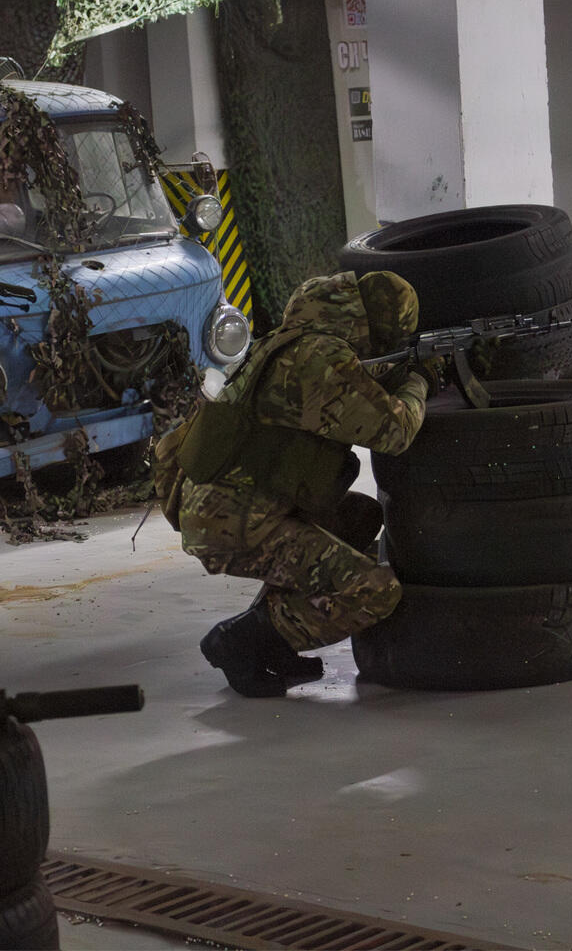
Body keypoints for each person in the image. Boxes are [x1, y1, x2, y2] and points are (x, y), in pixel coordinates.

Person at [153, 270, 436, 697]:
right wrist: (420, 380)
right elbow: (394, 432)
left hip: (227, 505)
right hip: (235, 521)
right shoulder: (320, 360)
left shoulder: (289, 343)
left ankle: (269, 642)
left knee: (359, 516)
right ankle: (241, 640)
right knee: (375, 592)